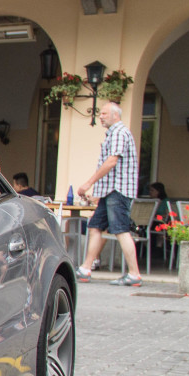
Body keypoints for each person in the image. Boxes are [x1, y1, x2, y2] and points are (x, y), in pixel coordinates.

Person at [75, 101, 141, 286]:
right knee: (96, 226)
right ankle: (85, 269)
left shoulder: (119, 132)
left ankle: (134, 274)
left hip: (117, 191)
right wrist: (99, 194)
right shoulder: (114, 133)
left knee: (121, 230)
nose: (100, 116)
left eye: (104, 113)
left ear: (115, 115)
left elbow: (112, 162)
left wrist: (89, 183)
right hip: (110, 191)